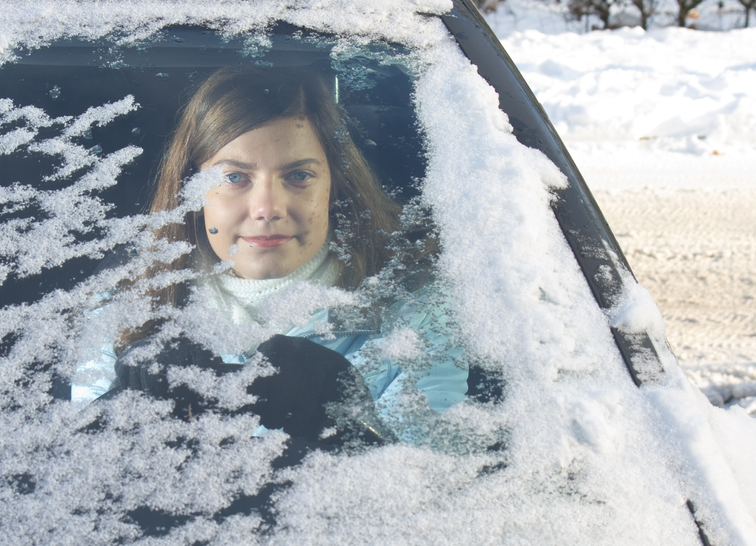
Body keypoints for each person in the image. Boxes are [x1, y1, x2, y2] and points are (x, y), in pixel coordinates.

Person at [73, 66, 468, 447]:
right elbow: (73, 482)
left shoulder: (416, 310)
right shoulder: (127, 302)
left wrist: (352, 428)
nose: (267, 208)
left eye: (298, 176)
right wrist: (120, 414)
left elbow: (442, 489)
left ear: (335, 185)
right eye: (234, 177)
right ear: (189, 190)